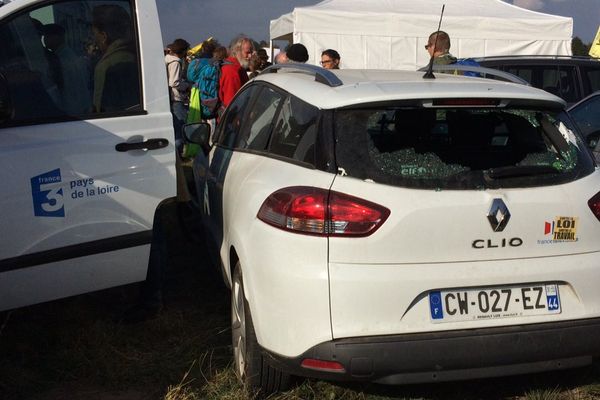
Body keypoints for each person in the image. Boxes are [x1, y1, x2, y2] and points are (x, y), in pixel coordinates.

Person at [91, 4, 138, 113]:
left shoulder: (105, 66)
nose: (94, 40)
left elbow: (100, 110)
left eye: (95, 34)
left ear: (103, 36)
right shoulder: (135, 55)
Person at [43, 23, 91, 114]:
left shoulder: (60, 59)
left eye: (47, 36)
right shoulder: (71, 55)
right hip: (81, 108)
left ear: (58, 37)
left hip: (70, 111)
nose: (44, 39)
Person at [165, 38, 191, 145]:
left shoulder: (167, 59)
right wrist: (186, 85)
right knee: (179, 127)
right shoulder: (175, 63)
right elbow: (174, 82)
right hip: (176, 98)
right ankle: (178, 153)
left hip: (169, 97)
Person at [218, 35, 253, 112]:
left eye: (251, 52)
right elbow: (231, 105)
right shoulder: (232, 71)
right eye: (247, 52)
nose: (250, 56)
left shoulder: (238, 68)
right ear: (237, 51)